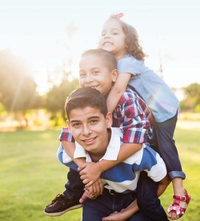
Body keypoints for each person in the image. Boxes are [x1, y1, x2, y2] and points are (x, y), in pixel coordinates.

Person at [44, 49, 169, 221]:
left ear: (114, 75)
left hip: (140, 149)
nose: (88, 79)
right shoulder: (83, 100)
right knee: (80, 152)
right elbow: (67, 137)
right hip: (102, 148)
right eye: (83, 74)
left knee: (147, 200)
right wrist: (87, 170)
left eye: (95, 72)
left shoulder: (126, 98)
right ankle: (73, 193)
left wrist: (98, 168)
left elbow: (136, 142)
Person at [98, 12, 191, 220]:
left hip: (163, 108)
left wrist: (103, 117)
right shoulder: (113, 65)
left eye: (114, 32)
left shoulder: (127, 61)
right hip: (150, 114)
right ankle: (136, 205)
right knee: (152, 159)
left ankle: (180, 192)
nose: (107, 36)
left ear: (128, 40)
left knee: (166, 146)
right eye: (103, 33)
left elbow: (118, 91)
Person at [59, 86, 169, 221]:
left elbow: (163, 180)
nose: (86, 131)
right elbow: (86, 170)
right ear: (69, 127)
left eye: (93, 121)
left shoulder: (137, 152)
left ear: (108, 120)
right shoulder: (69, 150)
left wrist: (129, 211)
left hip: (133, 199)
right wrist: (91, 179)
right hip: (98, 200)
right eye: (77, 124)